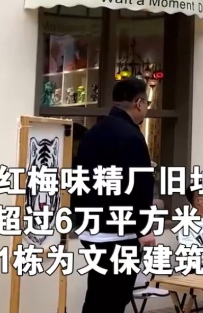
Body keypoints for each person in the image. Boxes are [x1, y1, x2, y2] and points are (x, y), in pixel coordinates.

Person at [72, 78, 157, 313]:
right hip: (120, 232)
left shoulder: (93, 132)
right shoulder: (131, 136)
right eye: (147, 103)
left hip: (91, 229)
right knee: (114, 299)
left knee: (97, 296)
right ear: (139, 103)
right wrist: (144, 228)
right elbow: (139, 185)